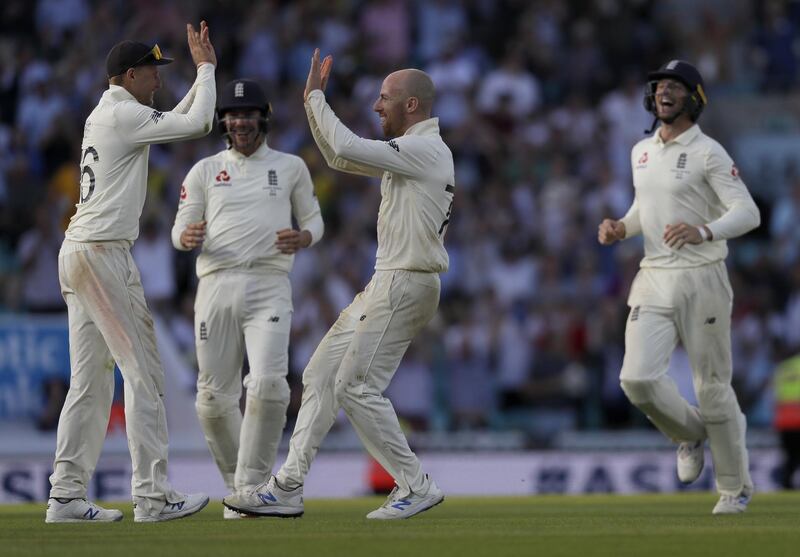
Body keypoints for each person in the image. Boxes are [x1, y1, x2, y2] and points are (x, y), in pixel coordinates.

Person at [224, 49, 454, 520]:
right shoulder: (412, 152)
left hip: (406, 280)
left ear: (411, 106)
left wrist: (315, 96)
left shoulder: (425, 149)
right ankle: (288, 485)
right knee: (320, 375)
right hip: (389, 280)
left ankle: (415, 484)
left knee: (354, 385)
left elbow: (346, 147)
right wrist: (313, 104)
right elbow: (338, 157)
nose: (376, 106)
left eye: (384, 98)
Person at [46, 22, 218, 524]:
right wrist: (207, 68)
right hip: (102, 254)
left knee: (91, 383)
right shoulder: (123, 115)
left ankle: (65, 496)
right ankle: (153, 495)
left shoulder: (114, 111)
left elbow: (176, 116)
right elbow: (200, 123)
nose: (159, 81)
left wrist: (197, 81)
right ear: (128, 75)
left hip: (79, 251)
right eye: (152, 72)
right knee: (145, 371)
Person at [597, 60, 760, 514]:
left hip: (704, 276)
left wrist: (703, 230)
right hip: (654, 276)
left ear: (695, 98)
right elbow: (643, 210)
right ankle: (689, 435)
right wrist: (619, 228)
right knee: (636, 379)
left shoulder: (709, 152)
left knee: (711, 387)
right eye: (660, 85)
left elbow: (748, 213)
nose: (665, 91)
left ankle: (734, 487)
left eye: (675, 86)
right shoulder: (640, 152)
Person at [171, 78, 324, 519]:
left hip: (270, 283)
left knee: (269, 384)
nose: (239, 122)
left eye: (247, 114)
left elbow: (315, 220)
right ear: (223, 121)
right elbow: (179, 229)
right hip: (215, 285)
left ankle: (254, 491)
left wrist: (305, 236)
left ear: (263, 118)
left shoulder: (291, 166)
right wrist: (187, 236)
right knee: (212, 399)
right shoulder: (203, 170)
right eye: (232, 115)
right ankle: (242, 488)